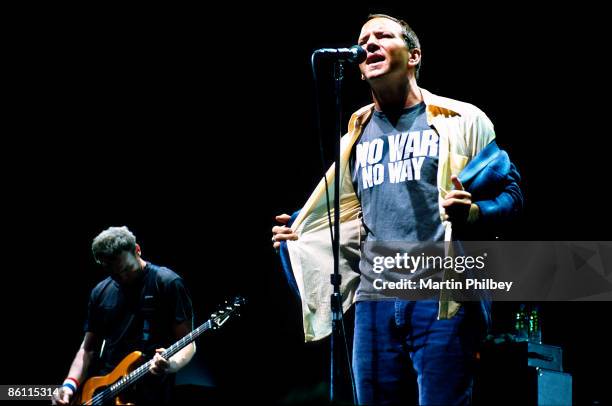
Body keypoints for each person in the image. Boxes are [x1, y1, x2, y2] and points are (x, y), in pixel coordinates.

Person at [272, 14, 523, 405]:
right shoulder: (354, 135)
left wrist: (473, 213)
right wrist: (302, 233)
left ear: (414, 56)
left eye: (383, 36)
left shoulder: (463, 120)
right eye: (363, 40)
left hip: (441, 295)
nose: (369, 43)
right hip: (375, 301)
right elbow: (345, 215)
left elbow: (511, 194)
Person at [52, 226, 196, 405]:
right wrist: (69, 385)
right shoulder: (100, 291)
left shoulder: (167, 282)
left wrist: (171, 364)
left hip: (150, 391)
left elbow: (188, 341)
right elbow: (88, 349)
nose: (122, 277)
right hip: (105, 390)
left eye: (127, 269)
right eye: (114, 273)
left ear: (137, 250)